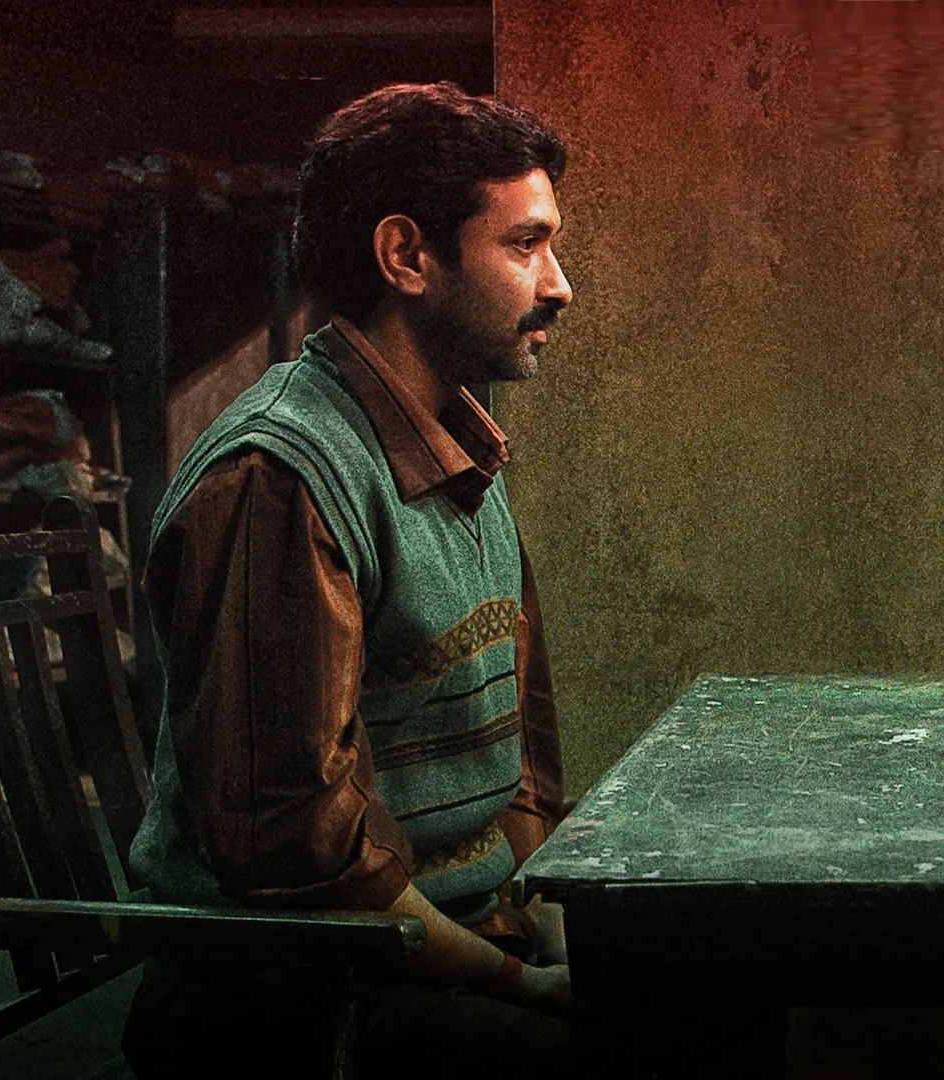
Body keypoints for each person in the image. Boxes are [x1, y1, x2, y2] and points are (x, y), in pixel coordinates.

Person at [123, 82, 575, 1077]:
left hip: (442, 949)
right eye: (524, 245)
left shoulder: (461, 446)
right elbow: (300, 854)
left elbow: (517, 754)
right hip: (302, 1001)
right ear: (406, 255)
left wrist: (541, 915)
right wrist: (520, 982)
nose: (560, 285)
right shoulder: (281, 477)